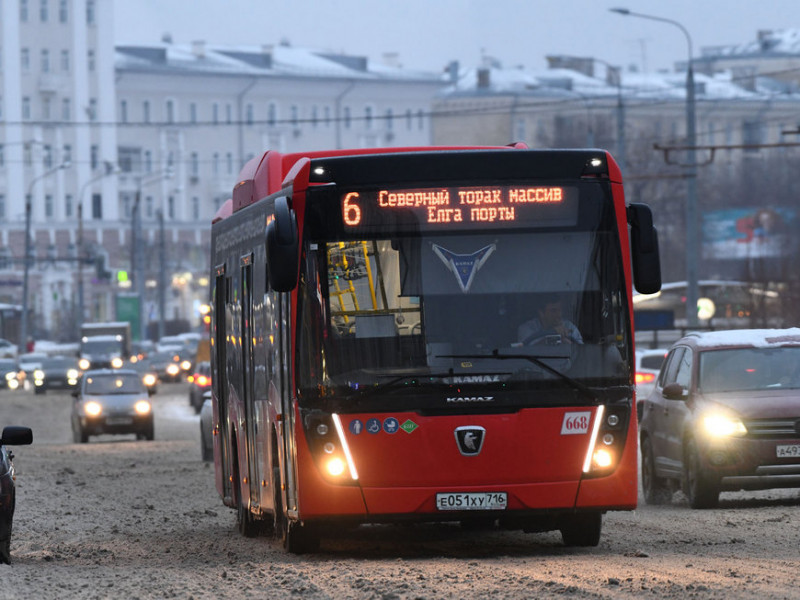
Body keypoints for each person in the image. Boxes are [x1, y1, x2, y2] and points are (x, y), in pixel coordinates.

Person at [517, 294, 582, 346]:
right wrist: (554, 335)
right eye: (554, 311)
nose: (559, 315)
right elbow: (526, 351)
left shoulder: (568, 326)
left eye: (560, 310)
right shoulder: (526, 328)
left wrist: (565, 339)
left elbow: (580, 352)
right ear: (541, 313)